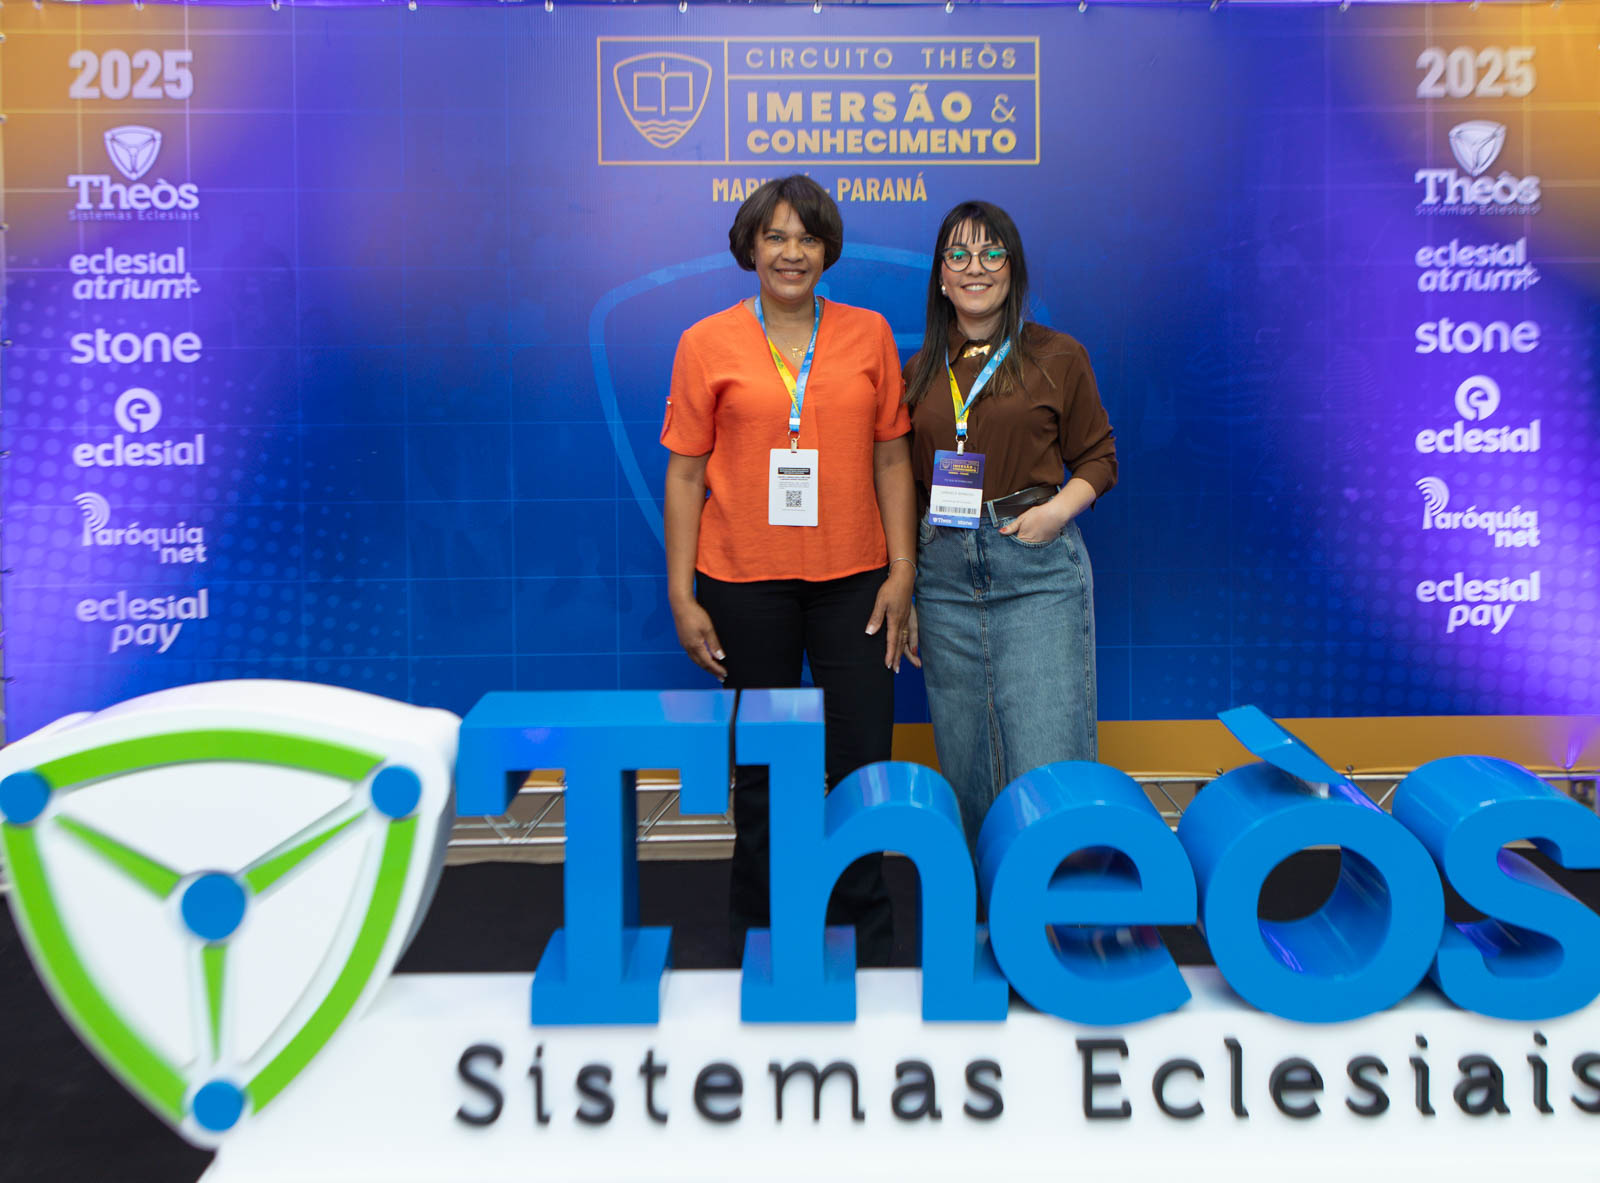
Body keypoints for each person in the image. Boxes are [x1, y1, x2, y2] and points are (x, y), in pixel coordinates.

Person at [660, 175, 917, 965]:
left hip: (856, 581)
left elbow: (892, 457)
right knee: (765, 772)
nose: (791, 252)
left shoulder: (870, 333)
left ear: (828, 249)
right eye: (775, 236)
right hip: (744, 582)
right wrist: (680, 593)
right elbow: (685, 475)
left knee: (860, 766)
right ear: (750, 247)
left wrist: (902, 569)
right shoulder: (705, 342)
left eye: (807, 237)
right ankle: (763, 940)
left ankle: (865, 942)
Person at [902, 200, 1117, 854]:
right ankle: (986, 907)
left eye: (991, 253)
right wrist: (910, 592)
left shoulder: (1057, 355)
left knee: (1048, 761)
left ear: (1013, 269)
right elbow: (906, 487)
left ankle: (1058, 903)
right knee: (968, 769)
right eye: (959, 255)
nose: (976, 267)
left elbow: (1099, 458)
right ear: (941, 277)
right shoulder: (918, 370)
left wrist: (1055, 513)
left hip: (1034, 573)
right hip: (943, 578)